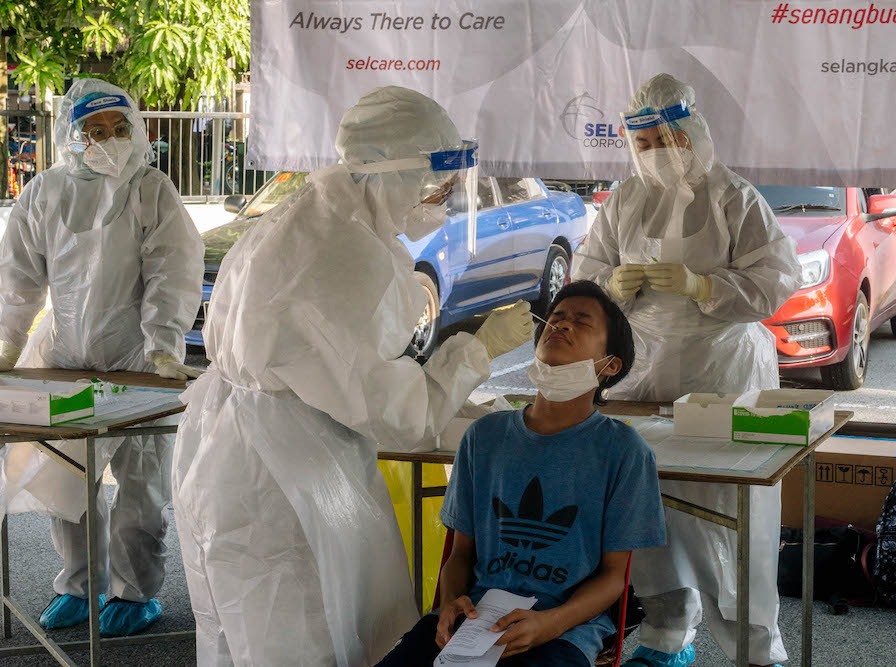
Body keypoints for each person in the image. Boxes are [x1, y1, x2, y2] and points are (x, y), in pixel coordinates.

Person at [171, 85, 534, 667]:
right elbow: (399, 417)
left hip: (228, 454)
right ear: (392, 174)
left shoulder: (302, 219)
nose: (438, 199)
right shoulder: (348, 255)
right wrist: (475, 349)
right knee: (308, 635)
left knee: (244, 633)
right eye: (432, 183)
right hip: (287, 479)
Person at [571, 74, 801, 667]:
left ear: (693, 132)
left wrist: (706, 287)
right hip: (642, 377)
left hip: (724, 373)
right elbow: (587, 273)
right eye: (643, 144)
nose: (656, 154)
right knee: (652, 510)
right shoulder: (624, 200)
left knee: (731, 516)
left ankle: (756, 649)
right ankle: (667, 634)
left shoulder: (736, 199)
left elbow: (777, 282)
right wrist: (607, 287)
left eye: (667, 139)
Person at [0, 78, 205, 636]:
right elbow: (20, 274)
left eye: (118, 129)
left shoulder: (151, 190)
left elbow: (172, 271)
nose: (108, 140)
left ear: (136, 130)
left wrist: (163, 346)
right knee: (69, 481)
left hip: (138, 362)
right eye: (95, 131)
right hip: (66, 358)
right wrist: (11, 341)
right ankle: (78, 582)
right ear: (75, 135)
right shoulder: (44, 192)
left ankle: (134, 592)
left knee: (140, 487)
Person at [377, 280, 667, 667]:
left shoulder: (624, 452)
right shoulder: (484, 436)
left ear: (610, 365)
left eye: (582, 322)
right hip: (475, 617)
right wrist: (448, 603)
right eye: (556, 317)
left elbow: (615, 578)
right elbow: (461, 554)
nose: (560, 325)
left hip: (566, 626)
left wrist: (550, 624)